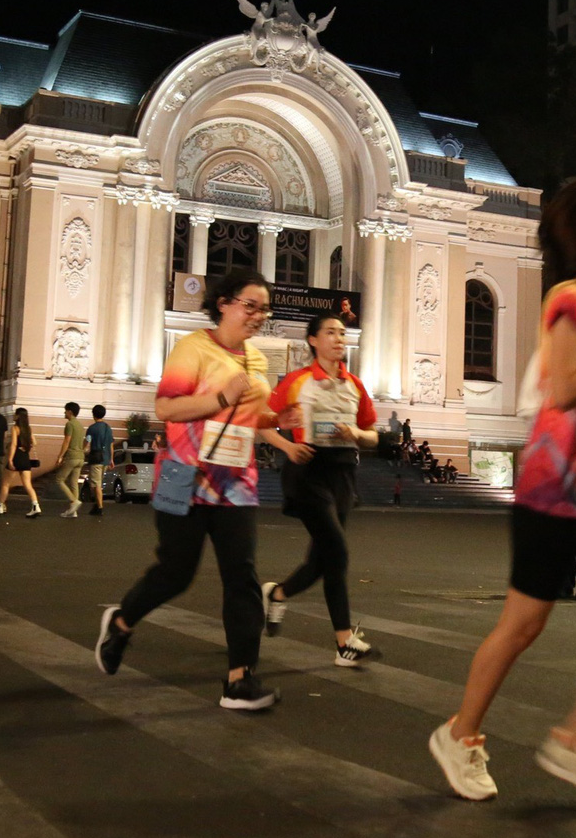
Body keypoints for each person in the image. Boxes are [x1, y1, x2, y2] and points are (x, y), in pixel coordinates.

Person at [428, 176, 576, 806]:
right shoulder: (569, 299)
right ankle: (461, 734)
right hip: (551, 488)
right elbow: (562, 389)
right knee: (523, 625)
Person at [96, 269, 293, 712]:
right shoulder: (192, 348)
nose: (258, 315)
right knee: (175, 573)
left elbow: (258, 420)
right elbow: (166, 407)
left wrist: (284, 417)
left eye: (264, 308)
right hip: (180, 476)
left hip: (235, 481)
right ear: (223, 303)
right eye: (250, 305)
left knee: (241, 577)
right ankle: (122, 623)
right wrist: (221, 398)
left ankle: (240, 680)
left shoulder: (255, 361)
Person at [262, 313, 380, 666]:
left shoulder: (356, 385)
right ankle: (344, 641)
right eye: (330, 332)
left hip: (343, 474)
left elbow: (373, 435)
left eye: (342, 333)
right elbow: (264, 422)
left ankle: (277, 593)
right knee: (337, 552)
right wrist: (286, 447)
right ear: (313, 340)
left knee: (322, 558)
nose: (339, 338)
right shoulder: (297, 382)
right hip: (307, 470)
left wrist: (356, 435)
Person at [0, 407, 40, 516]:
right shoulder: (28, 429)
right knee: (28, 484)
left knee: (5, 483)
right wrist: (27, 446)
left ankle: (0, 506)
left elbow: (13, 445)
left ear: (18, 416)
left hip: (17, 457)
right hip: (25, 458)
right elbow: (34, 442)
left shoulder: (15, 428)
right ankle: (36, 506)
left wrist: (10, 459)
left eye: (15, 414)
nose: (13, 415)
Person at [50, 401, 87, 518]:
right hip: (81, 457)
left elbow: (67, 441)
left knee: (59, 479)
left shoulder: (70, 424)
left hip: (72, 456)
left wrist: (60, 456)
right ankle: (73, 511)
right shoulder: (80, 425)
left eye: (65, 410)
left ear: (70, 412)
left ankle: (74, 501)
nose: (64, 412)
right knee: (73, 483)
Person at [84, 404, 113, 517]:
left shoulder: (92, 428)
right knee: (98, 483)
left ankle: (99, 507)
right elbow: (111, 444)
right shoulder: (108, 428)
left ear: (93, 414)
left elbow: (87, 441)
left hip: (96, 458)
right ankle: (97, 504)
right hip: (105, 459)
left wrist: (83, 449)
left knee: (96, 485)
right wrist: (111, 459)